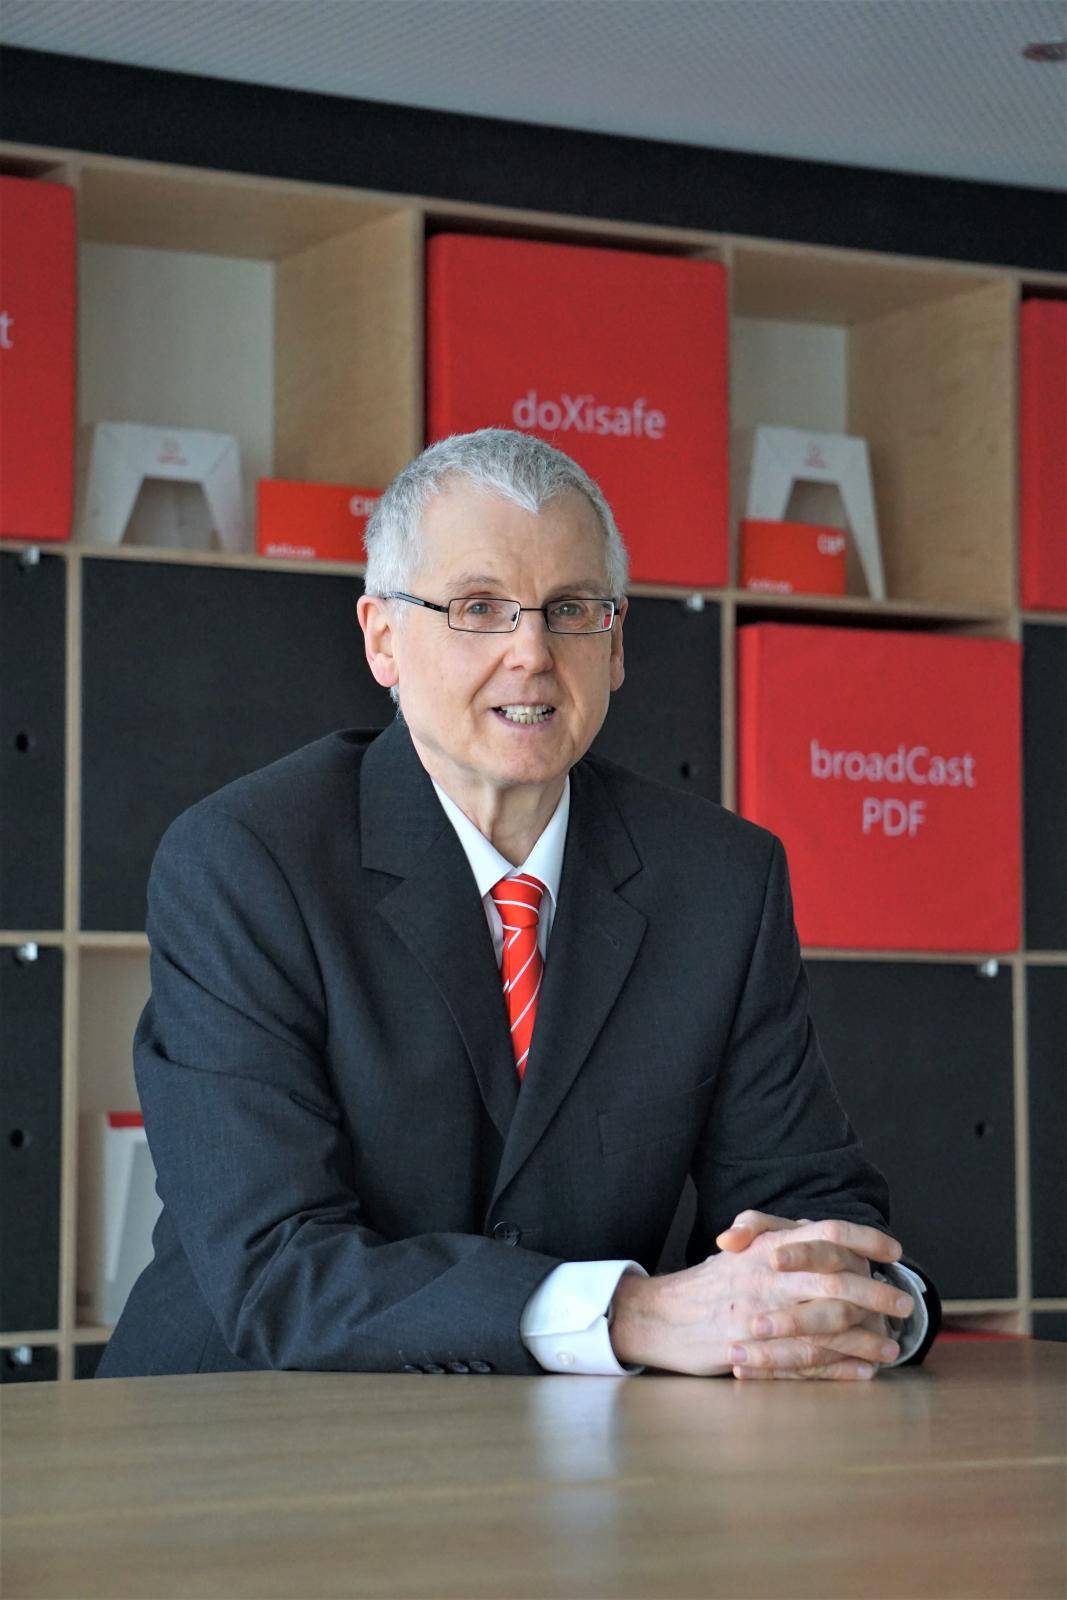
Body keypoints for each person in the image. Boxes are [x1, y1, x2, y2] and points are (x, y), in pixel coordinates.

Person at [98, 428, 938, 1383]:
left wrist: (855, 1301)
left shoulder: (720, 880)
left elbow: (803, 1198)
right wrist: (628, 1314)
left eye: (571, 609)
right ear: (382, 639)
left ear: (614, 645)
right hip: (244, 1423)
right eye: (478, 608)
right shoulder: (245, 863)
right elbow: (276, 1269)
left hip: (581, 1442)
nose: (531, 652)